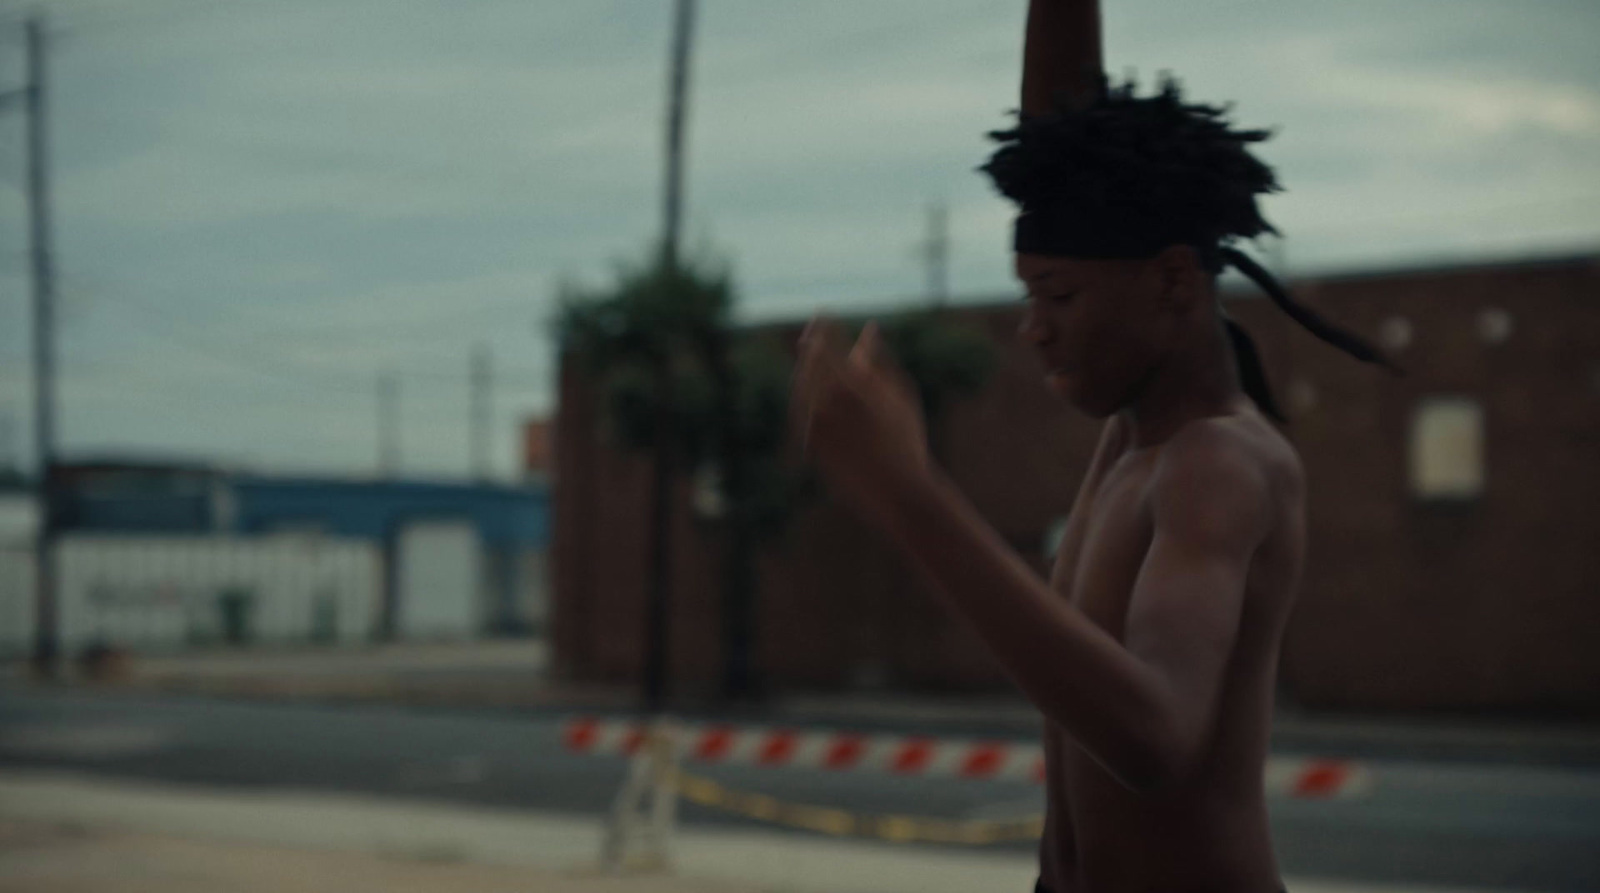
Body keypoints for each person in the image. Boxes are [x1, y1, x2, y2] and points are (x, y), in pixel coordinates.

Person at [790, 2, 1397, 891]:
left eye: (1060, 298)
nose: (1033, 330)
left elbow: (1155, 737)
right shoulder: (1136, 434)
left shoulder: (1218, 464)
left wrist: (912, 496)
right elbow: (1064, 137)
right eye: (1030, 295)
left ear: (1174, 282)